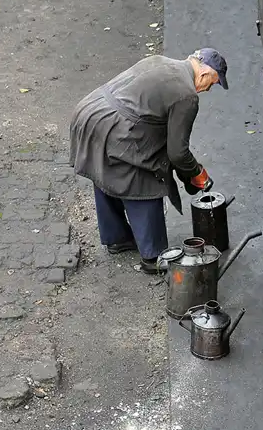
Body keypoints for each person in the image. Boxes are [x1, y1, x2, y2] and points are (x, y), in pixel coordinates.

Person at [70, 49, 228, 273]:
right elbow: (177, 152)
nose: (209, 89)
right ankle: (153, 256)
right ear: (204, 74)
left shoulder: (161, 61)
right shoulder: (187, 96)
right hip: (113, 125)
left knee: (105, 168)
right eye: (212, 83)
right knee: (146, 176)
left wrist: (186, 174)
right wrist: (196, 173)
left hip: (90, 113)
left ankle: (117, 238)